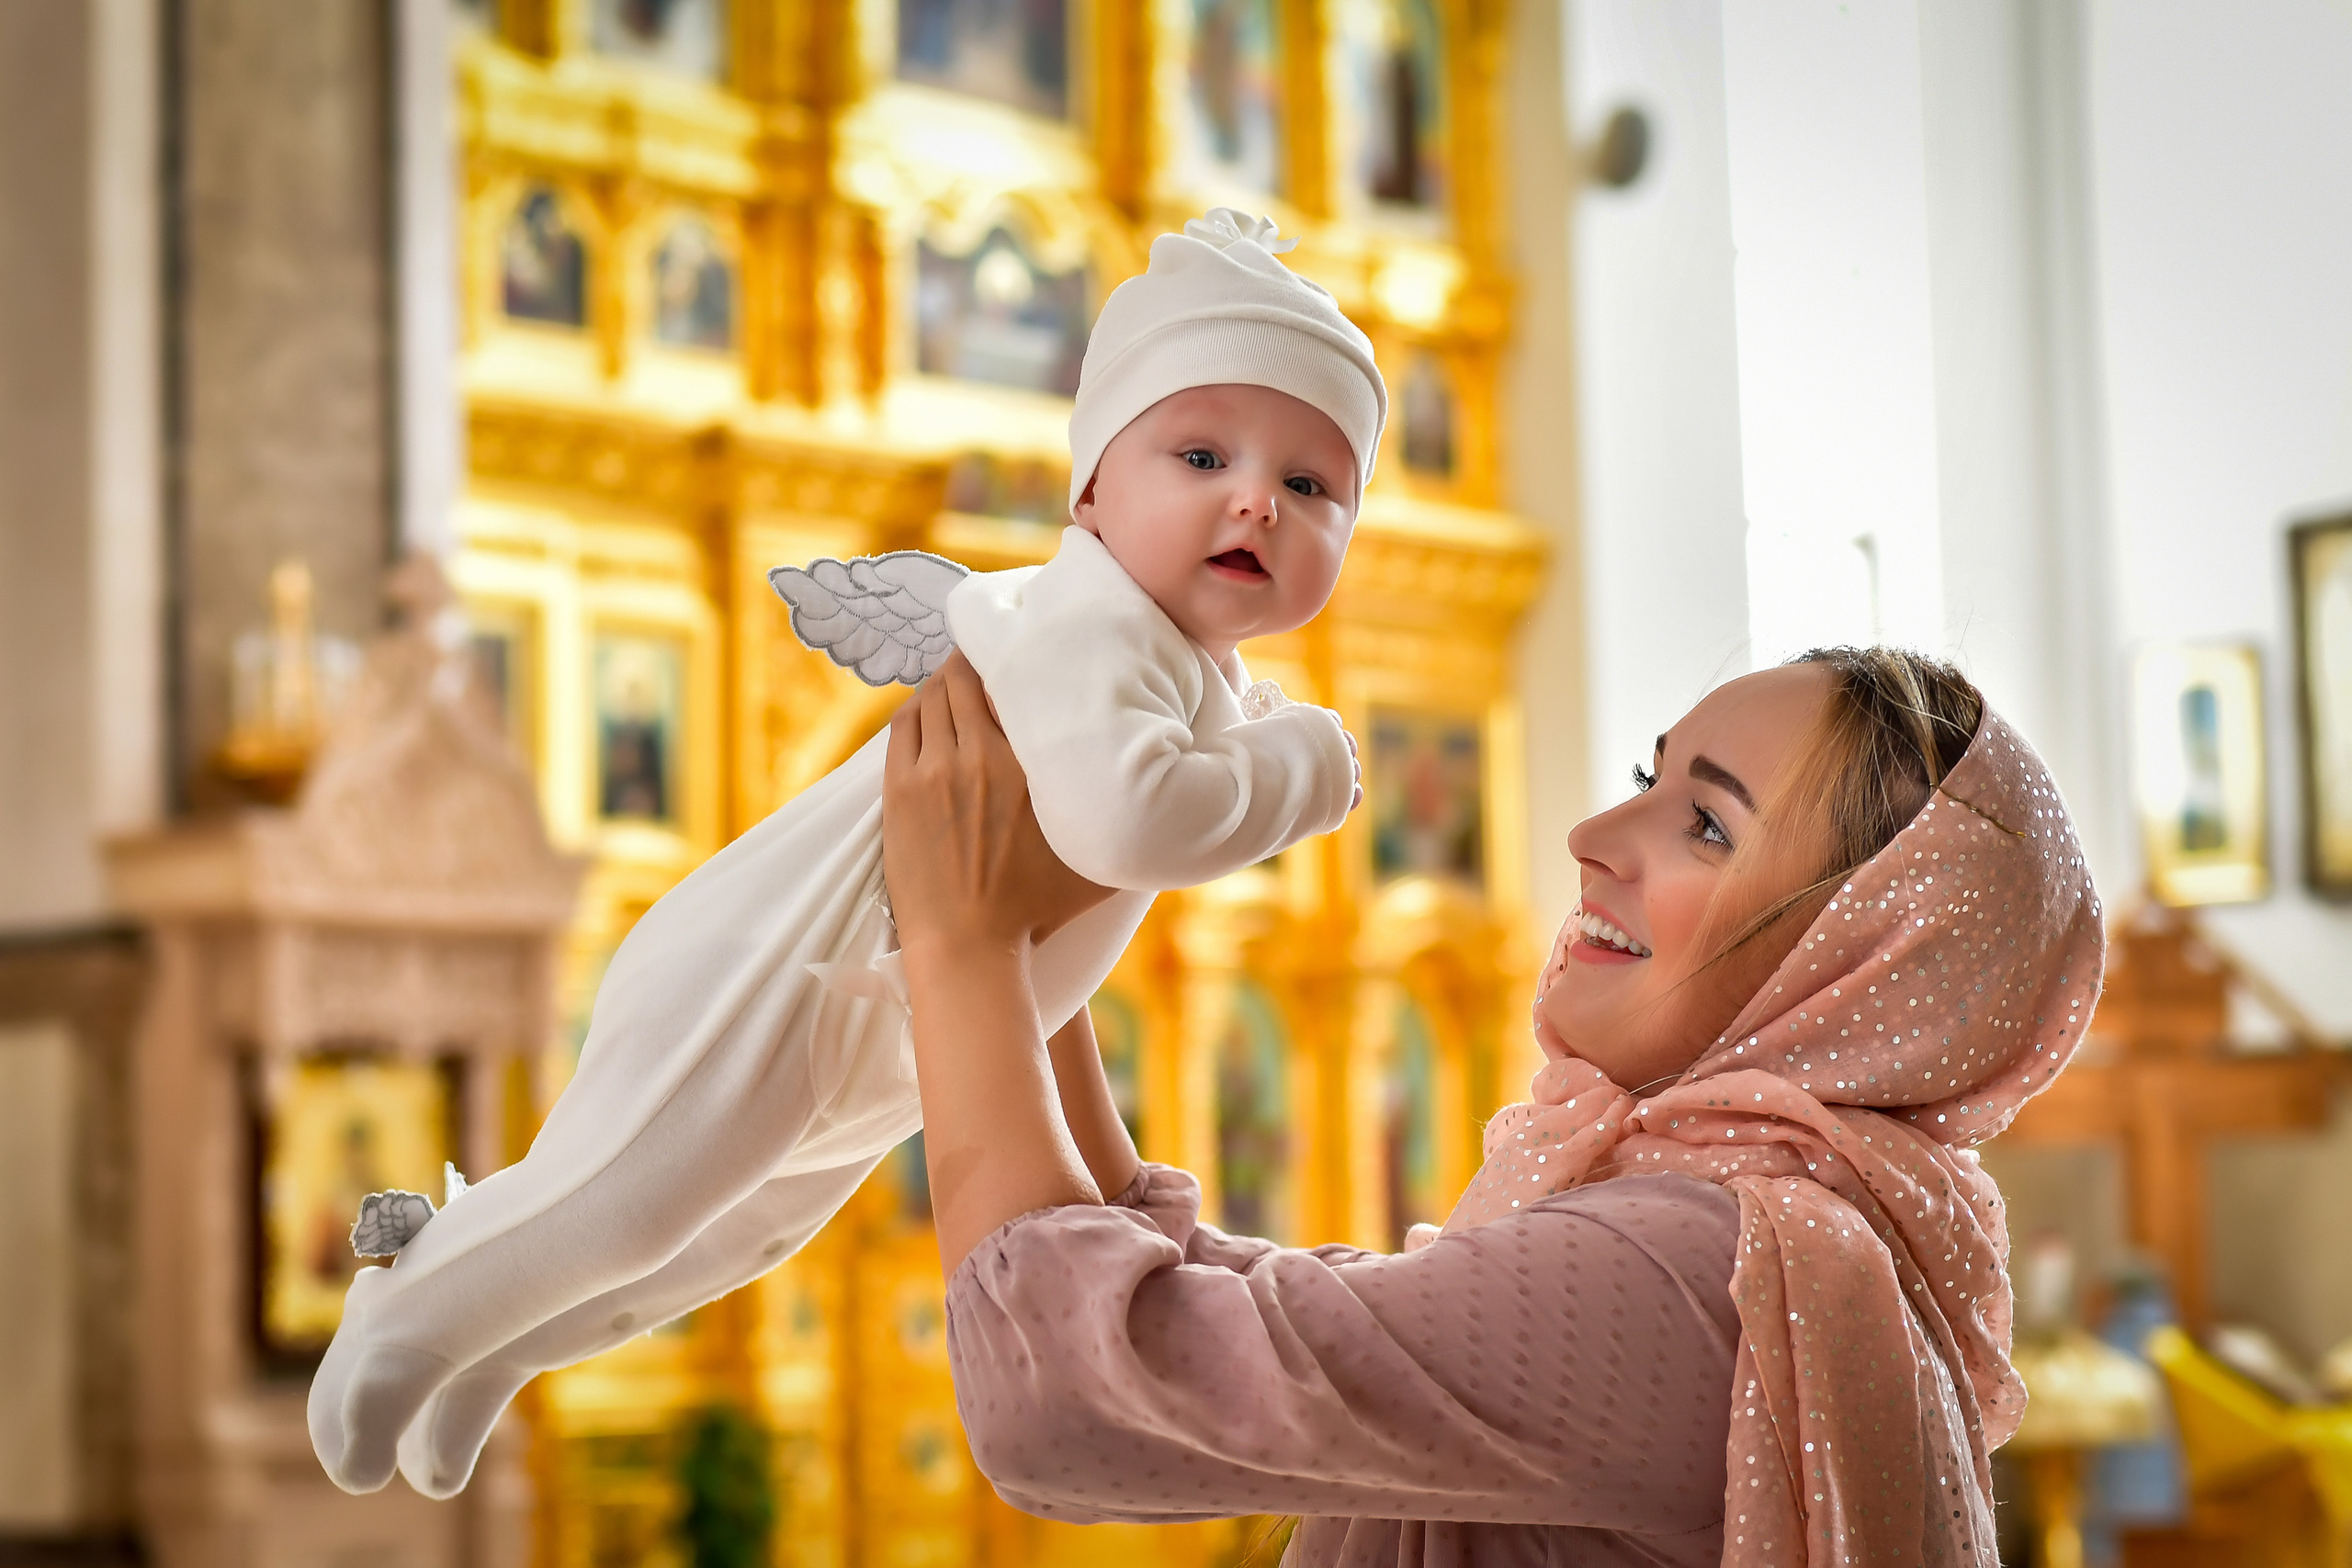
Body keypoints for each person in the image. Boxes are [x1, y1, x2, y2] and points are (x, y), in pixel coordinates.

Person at [310, 208, 1385, 1499]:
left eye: (1312, 485)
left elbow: (1059, 944)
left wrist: (1113, 1173)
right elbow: (1121, 824)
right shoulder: (1087, 625)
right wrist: (1308, 766)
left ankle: (489, 1354)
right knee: (627, 1207)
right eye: (1200, 451)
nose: (1256, 497)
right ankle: (405, 1306)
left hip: (877, 1021)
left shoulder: (1184, 671)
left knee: (718, 1240)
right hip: (782, 968)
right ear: (1092, 491)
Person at [882, 644, 2103, 1567]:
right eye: (1648, 774)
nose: (1591, 835)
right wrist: (1039, 957)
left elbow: (1069, 1394)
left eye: (1706, 825)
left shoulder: (1703, 1266)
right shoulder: (1786, 1240)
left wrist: (961, 947)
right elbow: (1215, 1301)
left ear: (1862, 957)